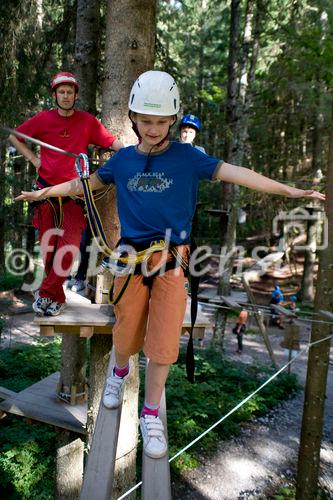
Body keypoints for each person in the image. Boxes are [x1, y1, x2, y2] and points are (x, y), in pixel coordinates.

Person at [15, 70, 325, 459]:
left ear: (173, 120)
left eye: (161, 121)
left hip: (172, 259)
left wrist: (288, 189)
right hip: (130, 258)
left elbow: (238, 174)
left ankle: (150, 413)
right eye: (145, 120)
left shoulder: (188, 158)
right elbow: (82, 186)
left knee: (163, 339)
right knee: (127, 328)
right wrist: (43, 191)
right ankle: (120, 369)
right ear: (133, 118)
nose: (153, 128)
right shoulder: (123, 161)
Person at [10, 71, 124, 315]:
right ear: (55, 94)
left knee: (69, 246)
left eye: (69, 92)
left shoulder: (87, 122)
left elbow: (113, 143)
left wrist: (129, 154)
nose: (65, 96)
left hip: (75, 194)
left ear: (75, 95)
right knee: (49, 248)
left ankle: (45, 293)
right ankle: (55, 298)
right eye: (61, 91)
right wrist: (34, 159)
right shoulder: (43, 119)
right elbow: (14, 137)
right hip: (46, 193)